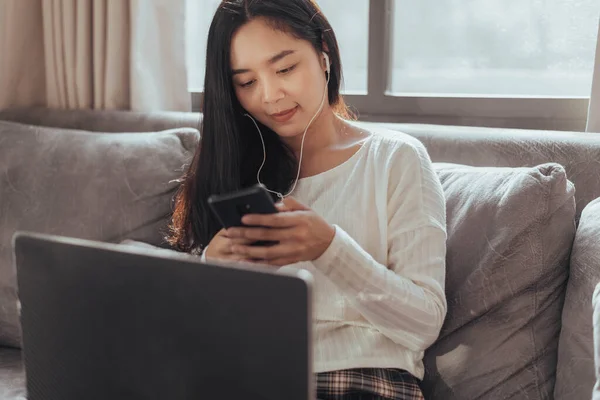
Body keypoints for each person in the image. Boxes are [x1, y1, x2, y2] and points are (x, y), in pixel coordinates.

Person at [167, 1, 447, 398]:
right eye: (246, 83)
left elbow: (423, 323)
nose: (270, 95)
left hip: (362, 381)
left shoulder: (394, 158)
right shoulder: (233, 171)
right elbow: (201, 339)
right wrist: (214, 268)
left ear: (323, 55)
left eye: (284, 69)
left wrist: (329, 247)